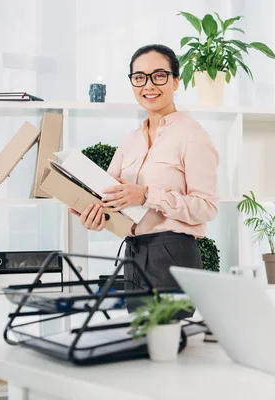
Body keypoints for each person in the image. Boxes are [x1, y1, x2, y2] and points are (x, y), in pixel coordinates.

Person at [71, 44, 219, 313]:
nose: (148, 85)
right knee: (140, 345)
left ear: (176, 81)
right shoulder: (129, 142)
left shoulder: (193, 136)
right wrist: (92, 213)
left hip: (174, 252)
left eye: (159, 75)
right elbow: (108, 196)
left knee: (168, 344)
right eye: (139, 77)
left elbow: (206, 208)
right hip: (134, 254)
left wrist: (148, 195)